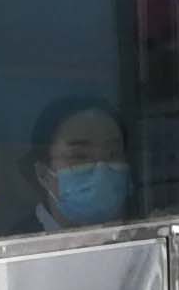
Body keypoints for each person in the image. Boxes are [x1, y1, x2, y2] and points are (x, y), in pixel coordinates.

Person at [23, 97, 139, 229]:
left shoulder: (146, 226)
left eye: (113, 153)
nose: (101, 171)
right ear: (43, 174)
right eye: (80, 156)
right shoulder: (22, 238)